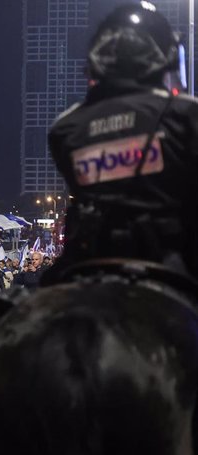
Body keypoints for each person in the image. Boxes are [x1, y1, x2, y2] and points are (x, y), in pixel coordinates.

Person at [44, 2, 198, 284]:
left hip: (86, 265)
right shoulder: (186, 116)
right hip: (174, 266)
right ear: (167, 56)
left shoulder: (65, 128)